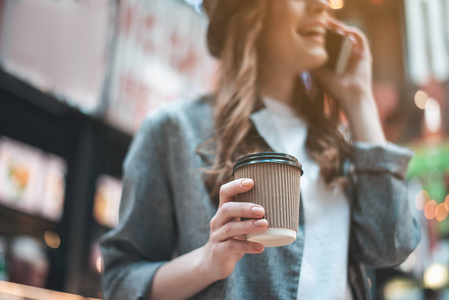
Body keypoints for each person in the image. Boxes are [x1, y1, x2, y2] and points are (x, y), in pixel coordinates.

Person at [100, 0, 420, 299]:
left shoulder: (336, 141)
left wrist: (359, 99)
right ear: (251, 9)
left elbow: (392, 246)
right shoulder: (173, 131)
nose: (322, 4)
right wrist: (208, 262)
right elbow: (120, 282)